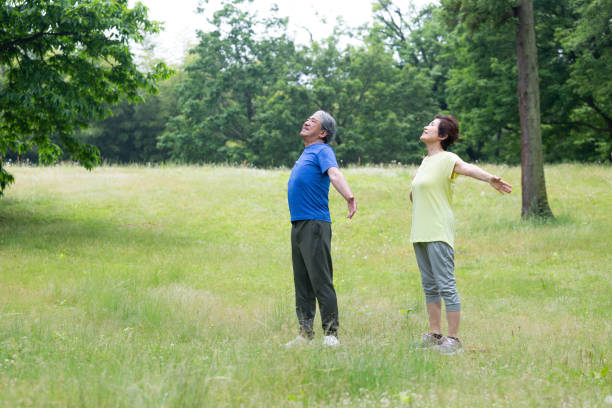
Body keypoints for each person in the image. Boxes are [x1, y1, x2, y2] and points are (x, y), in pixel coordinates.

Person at [410, 115, 512, 355]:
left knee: (445, 284)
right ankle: (435, 335)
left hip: (438, 230)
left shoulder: (448, 158)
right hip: (420, 232)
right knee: (429, 286)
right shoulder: (425, 161)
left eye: (432, 125)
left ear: (443, 136)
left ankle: (453, 340)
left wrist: (490, 178)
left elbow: (467, 168)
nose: (426, 127)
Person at [285, 110, 357, 347]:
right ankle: (305, 334)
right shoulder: (307, 152)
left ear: (323, 132)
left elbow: (334, 173)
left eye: (313, 121)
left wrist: (348, 195)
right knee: (302, 281)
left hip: (315, 224)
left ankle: (330, 334)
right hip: (299, 224)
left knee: (320, 279)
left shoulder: (323, 150)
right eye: (307, 118)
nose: (307, 121)